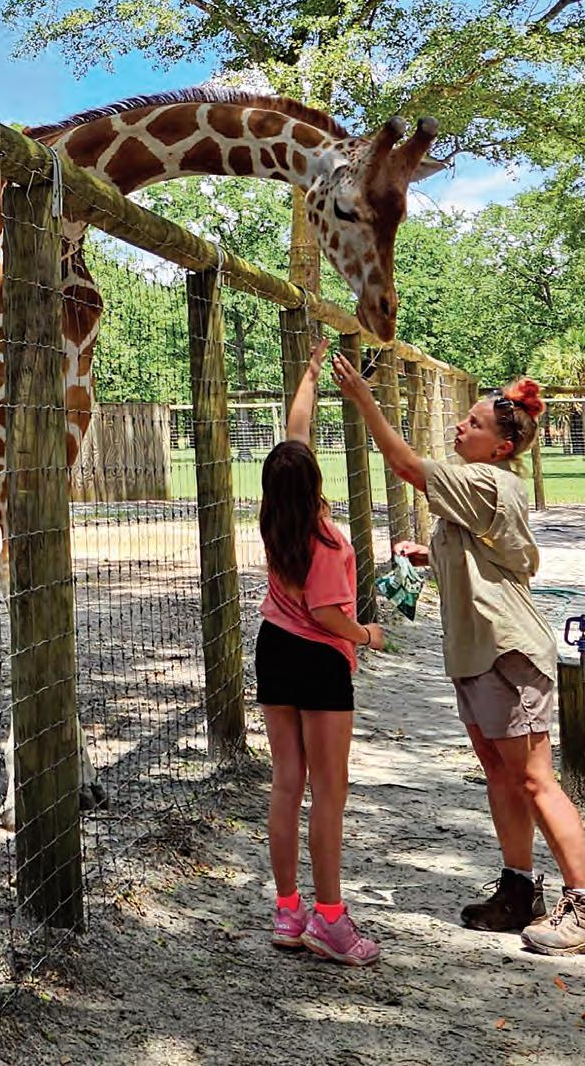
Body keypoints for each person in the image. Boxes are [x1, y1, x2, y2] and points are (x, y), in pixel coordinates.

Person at [331, 354, 585, 955]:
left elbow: (404, 464)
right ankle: (518, 889)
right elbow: (483, 560)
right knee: (498, 769)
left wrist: (363, 398)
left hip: (507, 650)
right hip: (475, 651)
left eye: (475, 423)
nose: (461, 426)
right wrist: (430, 557)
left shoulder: (487, 481)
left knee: (535, 778)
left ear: (501, 446)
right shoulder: (477, 484)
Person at [257, 337, 387, 967]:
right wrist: (367, 635)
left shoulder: (273, 519)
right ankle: (330, 918)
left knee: (288, 783)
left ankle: (288, 909)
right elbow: (327, 612)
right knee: (330, 790)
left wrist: (308, 374)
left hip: (273, 650)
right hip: (319, 661)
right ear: (314, 484)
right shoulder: (328, 541)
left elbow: (295, 433)